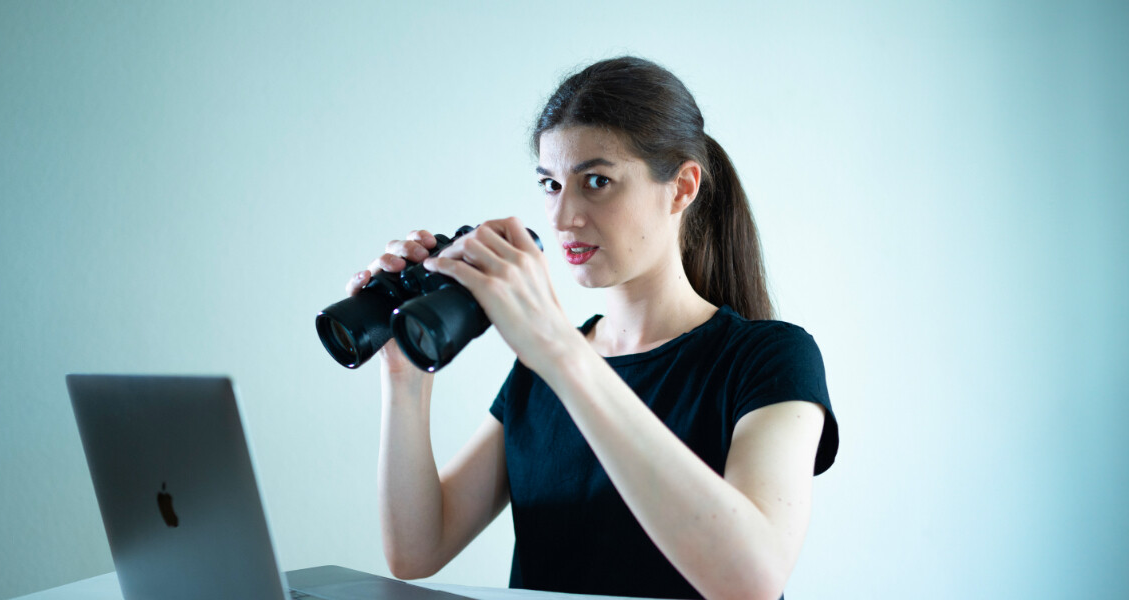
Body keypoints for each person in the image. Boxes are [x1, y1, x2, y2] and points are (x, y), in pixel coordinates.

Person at [343, 56, 839, 600]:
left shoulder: (770, 359)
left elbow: (753, 580)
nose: (561, 218)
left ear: (681, 188)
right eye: (551, 184)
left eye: (596, 181)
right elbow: (417, 550)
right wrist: (405, 376)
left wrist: (557, 350)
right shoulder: (545, 366)